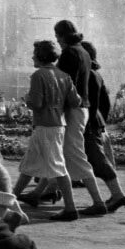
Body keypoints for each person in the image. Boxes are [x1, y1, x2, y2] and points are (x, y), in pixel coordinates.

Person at [29, 20, 107, 217]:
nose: (56, 39)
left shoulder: (69, 54)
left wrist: (52, 110)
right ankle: (46, 192)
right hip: (82, 108)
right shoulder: (83, 51)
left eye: (57, 35)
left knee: (74, 156)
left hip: (74, 110)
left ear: (62, 35)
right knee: (63, 155)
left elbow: (64, 86)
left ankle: (96, 202)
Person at [12, 41, 83, 221]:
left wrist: (26, 99)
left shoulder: (38, 75)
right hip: (59, 125)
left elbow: (36, 103)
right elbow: (76, 102)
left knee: (56, 167)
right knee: (30, 164)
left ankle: (70, 208)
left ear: (41, 56)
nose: (32, 56)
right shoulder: (64, 76)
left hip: (44, 126)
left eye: (34, 53)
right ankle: (11, 200)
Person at [80, 41, 125, 212]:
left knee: (98, 161)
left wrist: (90, 124)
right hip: (94, 122)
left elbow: (92, 104)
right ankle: (47, 190)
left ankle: (118, 195)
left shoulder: (91, 75)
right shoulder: (93, 74)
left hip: (90, 123)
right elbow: (105, 104)